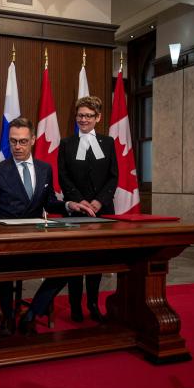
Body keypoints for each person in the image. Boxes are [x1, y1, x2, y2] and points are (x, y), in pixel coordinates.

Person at [0, 118, 93, 337]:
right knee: (2, 266)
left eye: (22, 141)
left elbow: (48, 202)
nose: (17, 147)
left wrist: (69, 204)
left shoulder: (44, 169)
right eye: (13, 142)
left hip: (37, 240)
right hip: (6, 244)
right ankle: (8, 319)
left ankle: (32, 313)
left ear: (33, 140)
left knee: (69, 262)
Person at [59, 95, 118, 322]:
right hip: (76, 210)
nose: (83, 119)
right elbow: (63, 178)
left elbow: (113, 177)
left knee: (97, 259)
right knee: (76, 259)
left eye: (88, 116)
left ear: (98, 118)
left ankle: (93, 304)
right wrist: (80, 201)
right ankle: (75, 306)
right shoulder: (67, 144)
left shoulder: (108, 142)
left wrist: (99, 201)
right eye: (80, 115)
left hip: (102, 210)